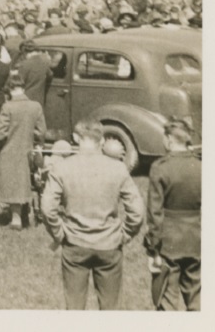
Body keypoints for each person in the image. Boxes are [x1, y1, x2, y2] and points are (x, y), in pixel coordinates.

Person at [40, 118, 145, 310]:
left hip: (74, 243)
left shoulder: (62, 167)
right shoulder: (118, 167)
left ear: (75, 138)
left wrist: (58, 233)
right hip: (110, 245)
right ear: (102, 141)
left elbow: (47, 207)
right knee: (110, 309)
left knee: (74, 308)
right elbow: (137, 210)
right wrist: (126, 233)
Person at [144, 118, 201, 311]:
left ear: (169, 139)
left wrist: (153, 246)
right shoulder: (201, 166)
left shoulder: (161, 167)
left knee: (167, 300)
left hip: (168, 241)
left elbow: (154, 211)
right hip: (196, 238)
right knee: (197, 299)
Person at [0, 72, 46, 229]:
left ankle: (16, 218)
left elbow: (0, 133)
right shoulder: (35, 106)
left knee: (12, 183)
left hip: (9, 150)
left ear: (9, 88)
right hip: (28, 150)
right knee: (24, 182)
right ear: (23, 87)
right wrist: (36, 142)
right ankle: (24, 214)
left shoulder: (8, 107)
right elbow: (41, 131)